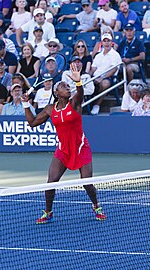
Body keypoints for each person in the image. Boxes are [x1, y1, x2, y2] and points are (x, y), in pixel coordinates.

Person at [21, 62, 106, 224]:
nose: (68, 88)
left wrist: (77, 81)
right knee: (51, 182)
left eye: (68, 86)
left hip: (81, 148)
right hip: (63, 150)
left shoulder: (74, 104)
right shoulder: (49, 109)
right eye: (64, 86)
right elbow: (32, 123)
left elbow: (80, 94)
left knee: (87, 183)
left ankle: (96, 205)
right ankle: (48, 211)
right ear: (56, 92)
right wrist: (26, 104)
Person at [90, 33, 122, 115]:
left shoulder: (115, 54)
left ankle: (96, 104)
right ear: (102, 43)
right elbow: (93, 68)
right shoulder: (98, 55)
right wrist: (88, 76)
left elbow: (113, 69)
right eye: (105, 41)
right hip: (95, 76)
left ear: (112, 43)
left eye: (108, 41)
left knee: (105, 84)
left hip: (108, 77)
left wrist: (102, 77)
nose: (106, 43)